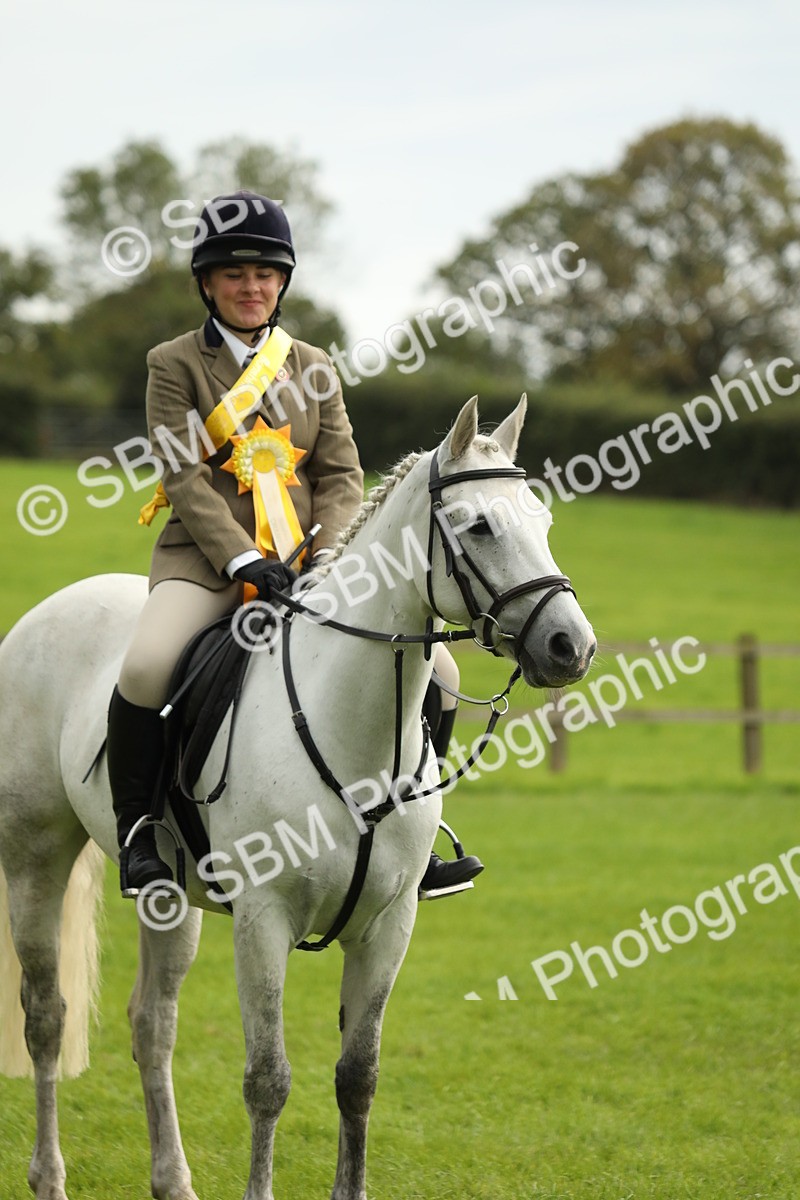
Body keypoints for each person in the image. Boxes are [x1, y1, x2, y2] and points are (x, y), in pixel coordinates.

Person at [107, 190, 483, 900]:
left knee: (444, 676)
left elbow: (341, 472)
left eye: (265, 273)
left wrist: (329, 556)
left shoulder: (311, 363)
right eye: (234, 273)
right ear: (208, 283)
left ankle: (418, 834)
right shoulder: (173, 364)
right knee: (148, 666)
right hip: (208, 561)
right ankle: (138, 835)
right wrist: (243, 557)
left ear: (282, 282)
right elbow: (182, 474)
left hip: (314, 563)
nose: (251, 286)